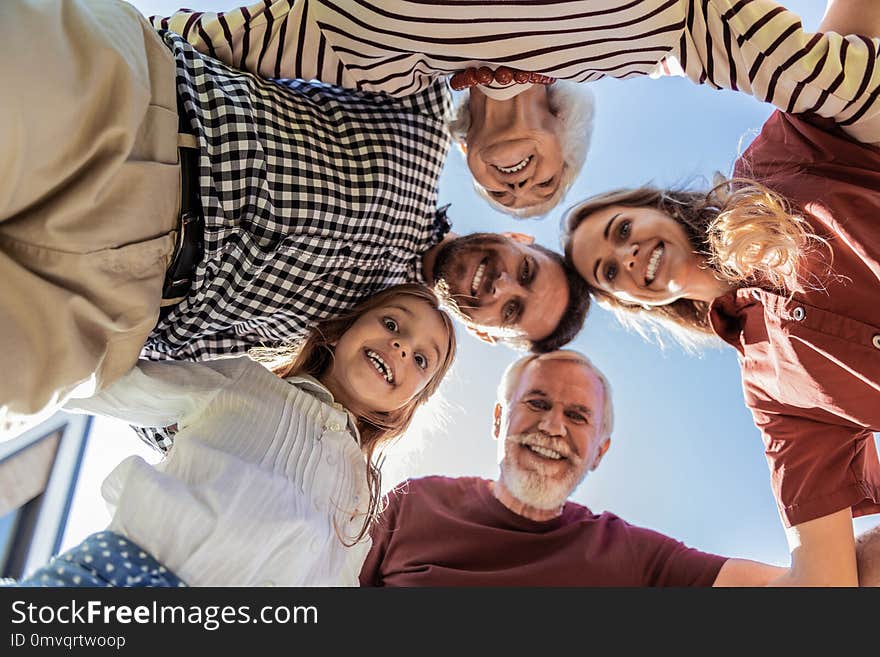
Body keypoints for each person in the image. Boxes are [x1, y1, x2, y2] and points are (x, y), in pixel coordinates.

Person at [0, 0, 588, 441]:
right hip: (138, 118)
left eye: (511, 310)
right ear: (518, 238)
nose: (501, 285)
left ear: (485, 333)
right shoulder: (423, 120)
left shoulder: (345, 359)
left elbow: (206, 428)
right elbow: (359, 21)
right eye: (526, 272)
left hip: (110, 311)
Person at [559, 0, 880, 589]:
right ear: (638, 304)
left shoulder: (776, 161)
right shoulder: (773, 396)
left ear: (653, 208)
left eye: (621, 230)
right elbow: (825, 581)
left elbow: (843, 44)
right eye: (608, 272)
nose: (625, 257)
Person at [156, 0, 880, 215]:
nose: (517, 183)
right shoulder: (652, 46)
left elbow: (191, 42)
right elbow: (827, 79)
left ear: (464, 157)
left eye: (501, 192)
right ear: (568, 143)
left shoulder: (371, 61)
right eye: (545, 184)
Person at [12, 284, 456, 587]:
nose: (401, 347)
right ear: (343, 330)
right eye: (393, 325)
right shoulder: (243, 381)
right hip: (126, 574)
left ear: (411, 401)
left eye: (422, 360)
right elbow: (110, 385)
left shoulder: (362, 499)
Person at [360, 350, 792, 587]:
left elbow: (797, 589)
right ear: (498, 420)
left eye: (578, 416)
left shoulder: (633, 556)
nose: (551, 427)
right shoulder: (414, 503)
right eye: (537, 403)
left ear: (599, 452)